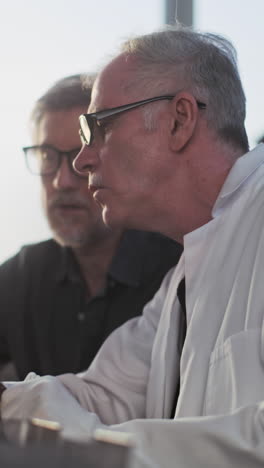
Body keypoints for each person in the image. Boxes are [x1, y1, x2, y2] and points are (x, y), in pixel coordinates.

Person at [1, 25, 264, 468]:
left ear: (180, 119)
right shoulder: (180, 281)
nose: (83, 161)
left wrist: (101, 449)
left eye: (99, 127)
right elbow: (104, 397)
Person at [0, 74, 182, 380]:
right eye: (47, 156)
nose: (62, 181)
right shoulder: (20, 276)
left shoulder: (178, 269)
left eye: (79, 156)